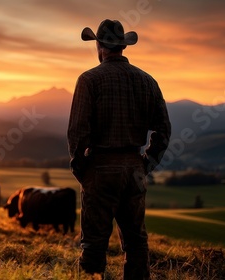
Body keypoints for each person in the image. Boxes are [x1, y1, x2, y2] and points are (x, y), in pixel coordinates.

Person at [67, 19, 171, 279]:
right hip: (134, 166)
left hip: (100, 167)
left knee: (94, 241)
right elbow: (163, 131)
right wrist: (145, 164)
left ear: (100, 46)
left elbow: (77, 132)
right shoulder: (148, 81)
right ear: (123, 46)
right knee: (136, 240)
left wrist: (81, 169)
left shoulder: (89, 80)